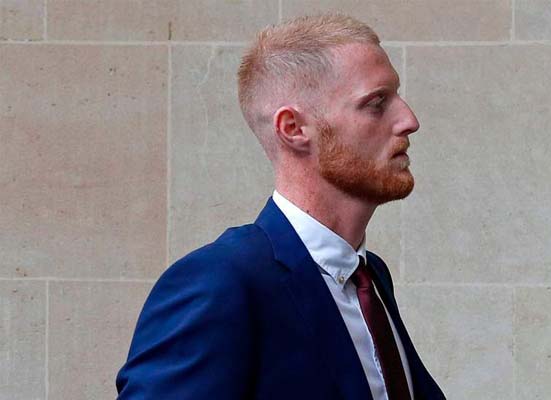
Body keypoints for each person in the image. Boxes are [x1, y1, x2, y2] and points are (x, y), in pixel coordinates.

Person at [116, 13, 446, 400]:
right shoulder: (219, 283)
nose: (409, 120)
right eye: (376, 103)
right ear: (293, 128)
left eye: (397, 96)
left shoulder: (370, 280)